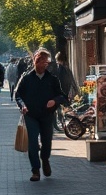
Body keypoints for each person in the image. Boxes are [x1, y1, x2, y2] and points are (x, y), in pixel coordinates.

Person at [15, 48, 70, 180]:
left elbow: (63, 96)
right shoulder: (27, 78)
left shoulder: (52, 79)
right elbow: (18, 95)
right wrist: (22, 105)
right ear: (35, 61)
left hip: (47, 116)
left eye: (46, 63)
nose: (43, 65)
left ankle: (45, 159)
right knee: (32, 143)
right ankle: (35, 170)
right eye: (40, 62)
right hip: (31, 115)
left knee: (47, 142)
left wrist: (54, 101)